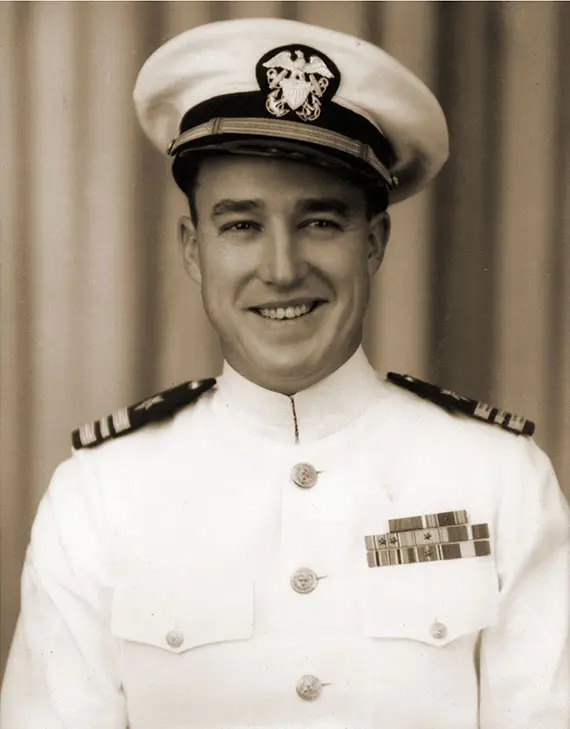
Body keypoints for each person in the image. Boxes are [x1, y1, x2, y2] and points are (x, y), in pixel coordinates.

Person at [1, 17, 569, 729]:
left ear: (375, 242)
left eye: (320, 222)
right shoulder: (99, 497)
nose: (280, 268)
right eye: (241, 225)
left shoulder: (501, 480)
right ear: (192, 249)